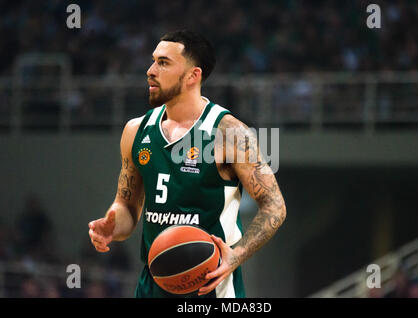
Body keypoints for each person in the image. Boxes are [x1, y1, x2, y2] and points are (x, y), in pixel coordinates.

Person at [88, 30, 286, 298]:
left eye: (163, 63)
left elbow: (275, 206)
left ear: (194, 75)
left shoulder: (230, 134)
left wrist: (236, 255)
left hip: (210, 285)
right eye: (153, 60)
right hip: (153, 282)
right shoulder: (136, 130)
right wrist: (112, 225)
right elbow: (127, 206)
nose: (150, 70)